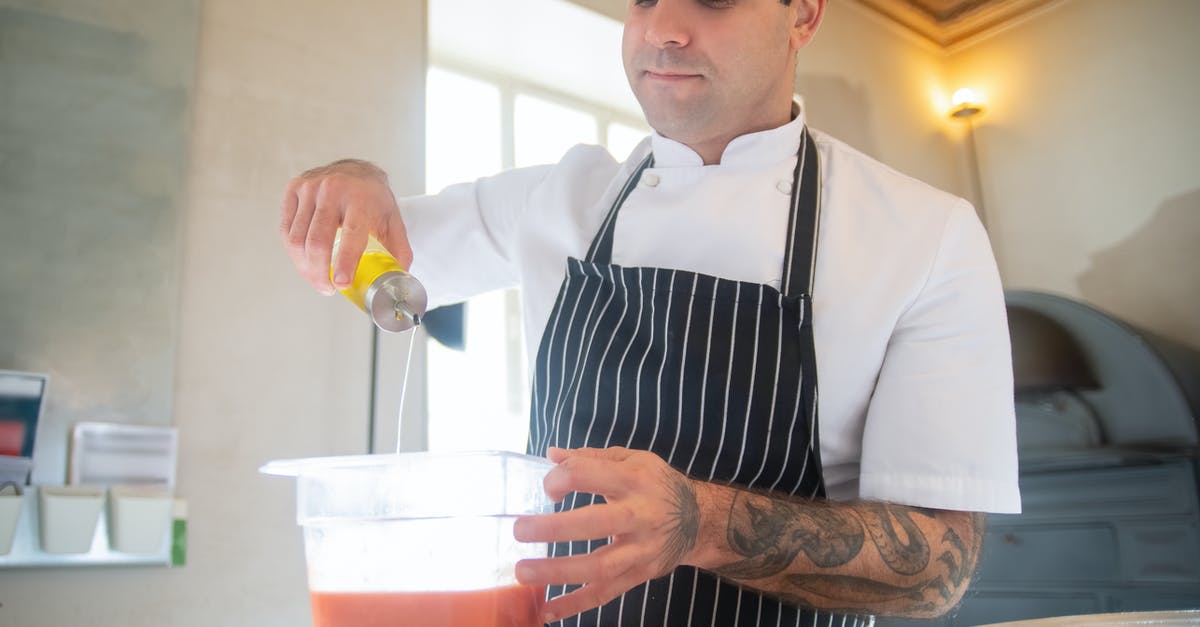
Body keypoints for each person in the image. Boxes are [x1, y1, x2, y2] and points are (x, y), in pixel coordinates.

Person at [279, 0, 1021, 625]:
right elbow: (370, 253)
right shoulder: (556, 198)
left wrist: (700, 521)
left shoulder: (924, 236)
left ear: (803, 12)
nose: (661, 28)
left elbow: (936, 569)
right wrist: (353, 181)